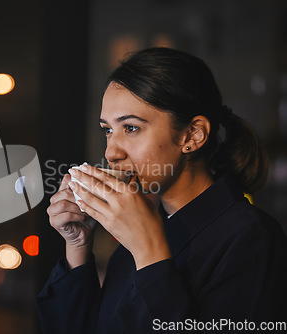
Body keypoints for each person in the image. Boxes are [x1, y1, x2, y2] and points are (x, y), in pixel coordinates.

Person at [37, 47, 287, 334]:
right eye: (107, 130)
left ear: (192, 135)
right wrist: (78, 246)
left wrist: (149, 252)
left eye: (130, 128)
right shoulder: (148, 226)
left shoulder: (251, 237)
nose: (110, 153)